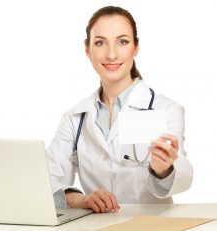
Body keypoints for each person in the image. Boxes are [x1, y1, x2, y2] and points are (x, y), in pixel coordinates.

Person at [46, 6, 193, 213]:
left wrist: (164, 169)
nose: (111, 54)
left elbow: (183, 176)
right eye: (100, 43)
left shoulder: (166, 109)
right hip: (97, 226)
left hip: (152, 227)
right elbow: (47, 181)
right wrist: (82, 200)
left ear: (136, 47)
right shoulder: (75, 118)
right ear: (87, 49)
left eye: (122, 41)